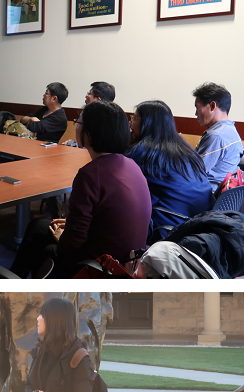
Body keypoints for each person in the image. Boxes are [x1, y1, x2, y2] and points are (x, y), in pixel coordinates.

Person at [8, 101, 151, 279]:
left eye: (79, 122)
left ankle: (15, 286)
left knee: (46, 248)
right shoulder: (131, 165)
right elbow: (105, 218)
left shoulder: (91, 174)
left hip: (99, 266)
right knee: (40, 226)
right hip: (127, 263)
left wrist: (63, 237)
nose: (76, 126)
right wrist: (70, 226)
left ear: (90, 133)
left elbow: (72, 242)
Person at [125, 100, 212, 237]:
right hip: (197, 225)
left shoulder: (144, 151)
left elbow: (119, 177)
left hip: (171, 227)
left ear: (147, 123)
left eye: (134, 118)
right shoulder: (183, 147)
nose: (130, 123)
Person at [193, 82, 244, 190]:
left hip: (205, 195)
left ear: (212, 106)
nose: (196, 114)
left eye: (197, 108)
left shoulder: (216, 136)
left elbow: (193, 172)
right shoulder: (231, 130)